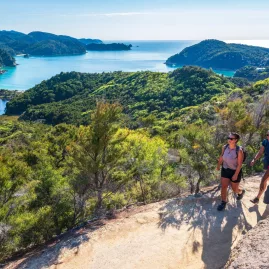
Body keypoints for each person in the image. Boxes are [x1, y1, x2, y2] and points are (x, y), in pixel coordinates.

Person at [216, 132, 245, 211]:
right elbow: (222, 157)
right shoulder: (225, 147)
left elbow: (239, 164)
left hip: (235, 171)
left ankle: (241, 192)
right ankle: (223, 202)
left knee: (234, 189)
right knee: (224, 186)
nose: (229, 140)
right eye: (228, 138)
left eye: (231, 139)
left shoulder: (239, 151)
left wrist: (235, 175)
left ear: (235, 140)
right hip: (225, 169)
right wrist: (218, 165)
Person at [250, 131, 269, 204]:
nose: (268, 136)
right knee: (265, 180)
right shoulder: (265, 142)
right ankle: (257, 198)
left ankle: (257, 198)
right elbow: (260, 152)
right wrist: (254, 159)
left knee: (263, 180)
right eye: (267, 135)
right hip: (267, 163)